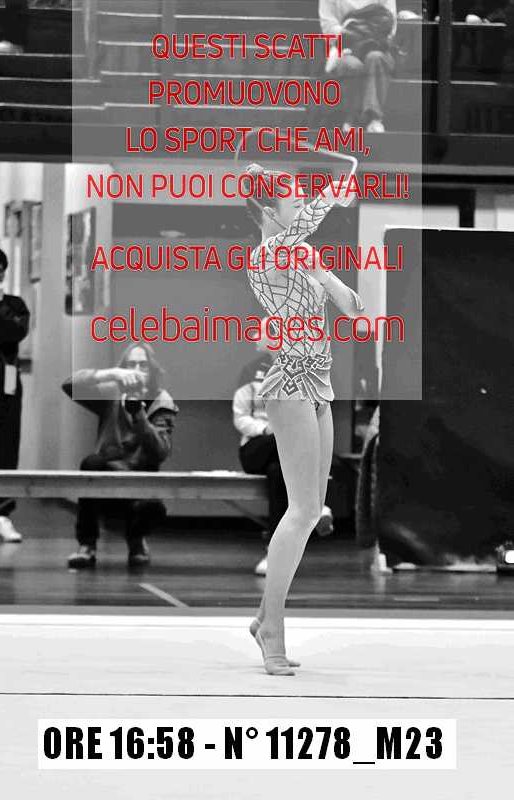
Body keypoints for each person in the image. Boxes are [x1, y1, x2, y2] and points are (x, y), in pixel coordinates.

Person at [244, 162, 364, 676]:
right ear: (269, 212)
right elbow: (305, 223)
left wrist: (323, 275)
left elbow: (354, 309)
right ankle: (271, 627)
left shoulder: (300, 254)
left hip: (320, 388)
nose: (301, 210)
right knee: (300, 511)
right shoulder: (266, 255)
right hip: (290, 385)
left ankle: (264, 619)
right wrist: (333, 191)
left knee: (312, 512)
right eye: (294, 203)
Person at [62, 343, 178, 569]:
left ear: (152, 370)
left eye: (143, 365)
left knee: (154, 509)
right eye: (131, 365)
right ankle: (87, 545)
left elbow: (160, 452)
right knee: (90, 463)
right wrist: (112, 373)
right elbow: (69, 385)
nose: (137, 370)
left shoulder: (162, 400)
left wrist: (139, 415)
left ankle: (136, 541)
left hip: (141, 482)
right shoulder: (112, 392)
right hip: (108, 477)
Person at [233, 321, 334, 576]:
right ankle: (317, 503)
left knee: (278, 473)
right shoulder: (250, 371)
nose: (256, 336)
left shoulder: (302, 371)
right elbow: (240, 417)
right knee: (285, 440)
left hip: (286, 453)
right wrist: (267, 429)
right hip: (257, 447)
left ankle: (274, 553)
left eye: (261, 332)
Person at [0, 245, 29, 542]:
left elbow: (17, 333)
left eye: (0, 272)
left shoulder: (14, 304)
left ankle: (2, 515)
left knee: (6, 448)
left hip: (6, 384)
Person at [319, 0, 397, 133]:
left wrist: (366, 34)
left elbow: (390, 26)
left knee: (375, 58)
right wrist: (354, 35)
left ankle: (374, 118)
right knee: (351, 65)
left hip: (377, 44)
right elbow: (328, 27)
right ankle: (351, 119)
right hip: (345, 47)